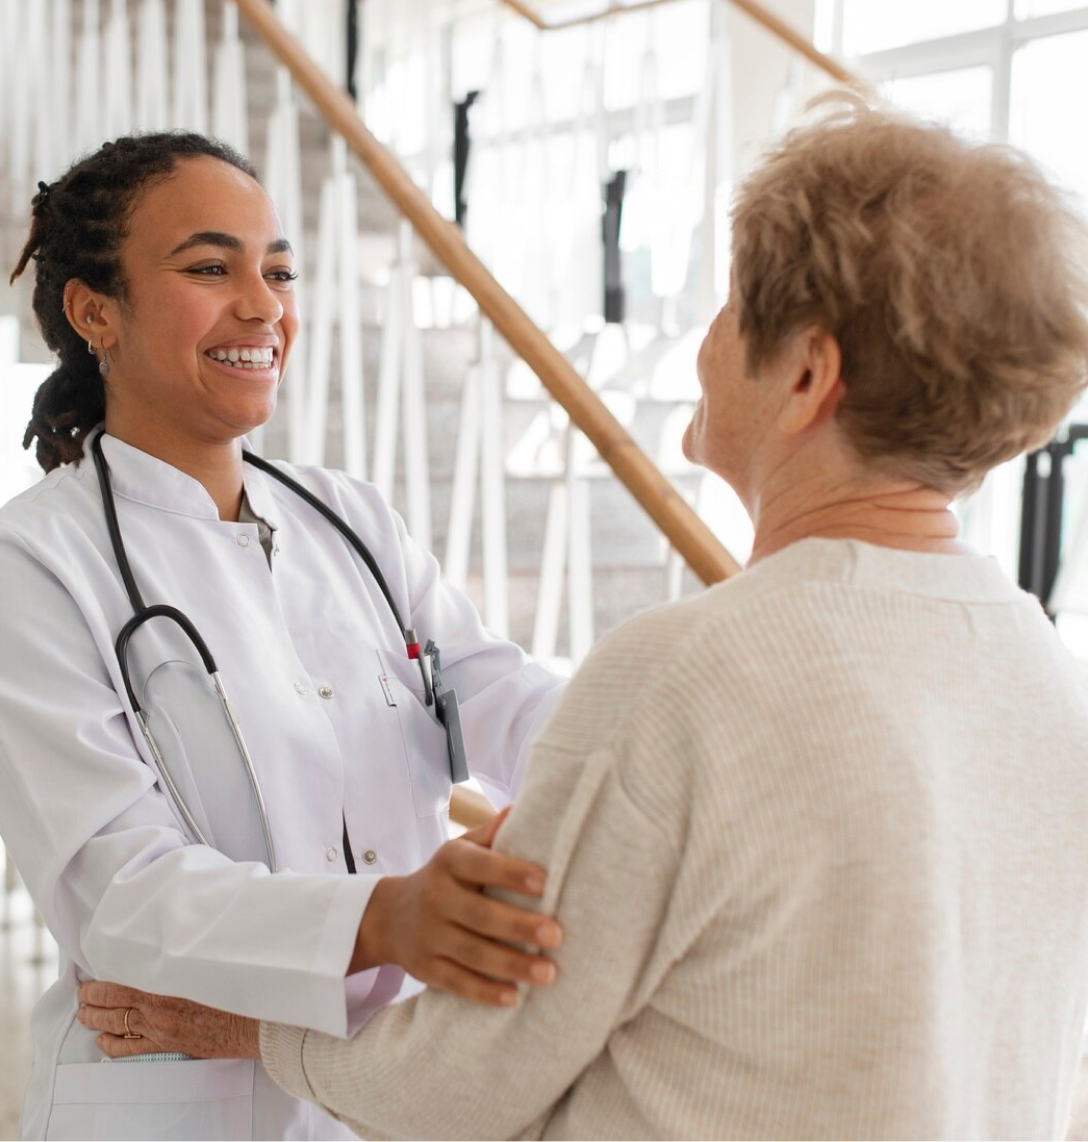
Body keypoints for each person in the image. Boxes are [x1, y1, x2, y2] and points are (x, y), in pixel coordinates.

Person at [80, 99, 1088, 1142]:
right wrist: (596, 795)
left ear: (802, 374)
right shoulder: (1043, 674)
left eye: (732, 303)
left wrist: (249, 1029)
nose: (700, 341)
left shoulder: (684, 676)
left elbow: (452, 1086)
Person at [0, 133, 568, 1142]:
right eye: (210, 267)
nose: (262, 305)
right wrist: (384, 917)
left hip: (382, 1093)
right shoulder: (35, 562)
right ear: (96, 311)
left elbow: (509, 699)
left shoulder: (350, 518)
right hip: (170, 1106)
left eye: (278, 270)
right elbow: (119, 891)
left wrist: (660, 737)